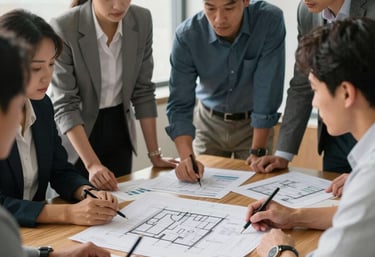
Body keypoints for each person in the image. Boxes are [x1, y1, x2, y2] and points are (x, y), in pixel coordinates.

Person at [247, 18, 375, 257]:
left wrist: (278, 250)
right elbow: (362, 217)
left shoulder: (370, 177)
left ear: (346, 93)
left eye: (316, 90)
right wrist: (295, 216)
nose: (314, 102)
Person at [0, 9, 119, 228]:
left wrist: (88, 193)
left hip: (35, 236)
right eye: (36, 67)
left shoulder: (42, 104)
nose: (47, 76)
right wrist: (67, 213)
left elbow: (59, 170)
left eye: (52, 64)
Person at [48, 0, 177, 191]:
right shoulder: (64, 26)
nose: (118, 6)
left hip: (119, 130)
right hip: (77, 136)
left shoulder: (141, 19)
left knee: (122, 206)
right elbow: (65, 104)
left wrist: (154, 155)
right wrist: (92, 164)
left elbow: (143, 90)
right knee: (83, 209)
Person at [250, 0, 375, 197]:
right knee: (333, 202)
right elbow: (302, 84)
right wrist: (283, 153)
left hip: (369, 130)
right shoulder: (307, 12)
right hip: (334, 136)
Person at [166, 0, 285, 183]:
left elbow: (267, 88)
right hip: (208, 123)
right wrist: (186, 158)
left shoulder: (268, 21)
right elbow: (180, 103)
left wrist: (257, 150)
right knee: (199, 187)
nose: (219, 19)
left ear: (246, 1)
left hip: (253, 127)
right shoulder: (187, 35)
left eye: (229, 8)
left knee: (255, 189)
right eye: (210, 8)